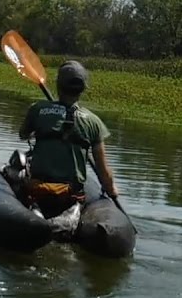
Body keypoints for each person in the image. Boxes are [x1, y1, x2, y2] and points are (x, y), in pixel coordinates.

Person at [17, 60, 119, 218]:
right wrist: (112, 191)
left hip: (37, 191)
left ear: (58, 85)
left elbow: (23, 134)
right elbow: (104, 172)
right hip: (70, 195)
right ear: (83, 89)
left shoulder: (37, 109)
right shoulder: (94, 122)